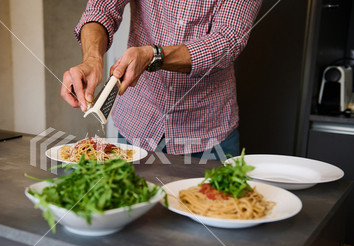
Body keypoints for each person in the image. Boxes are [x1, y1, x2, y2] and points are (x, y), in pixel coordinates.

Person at [60, 0, 262, 159]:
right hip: (137, 123)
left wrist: (154, 56)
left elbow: (228, 41)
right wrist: (92, 59)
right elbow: (101, 8)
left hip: (208, 132)